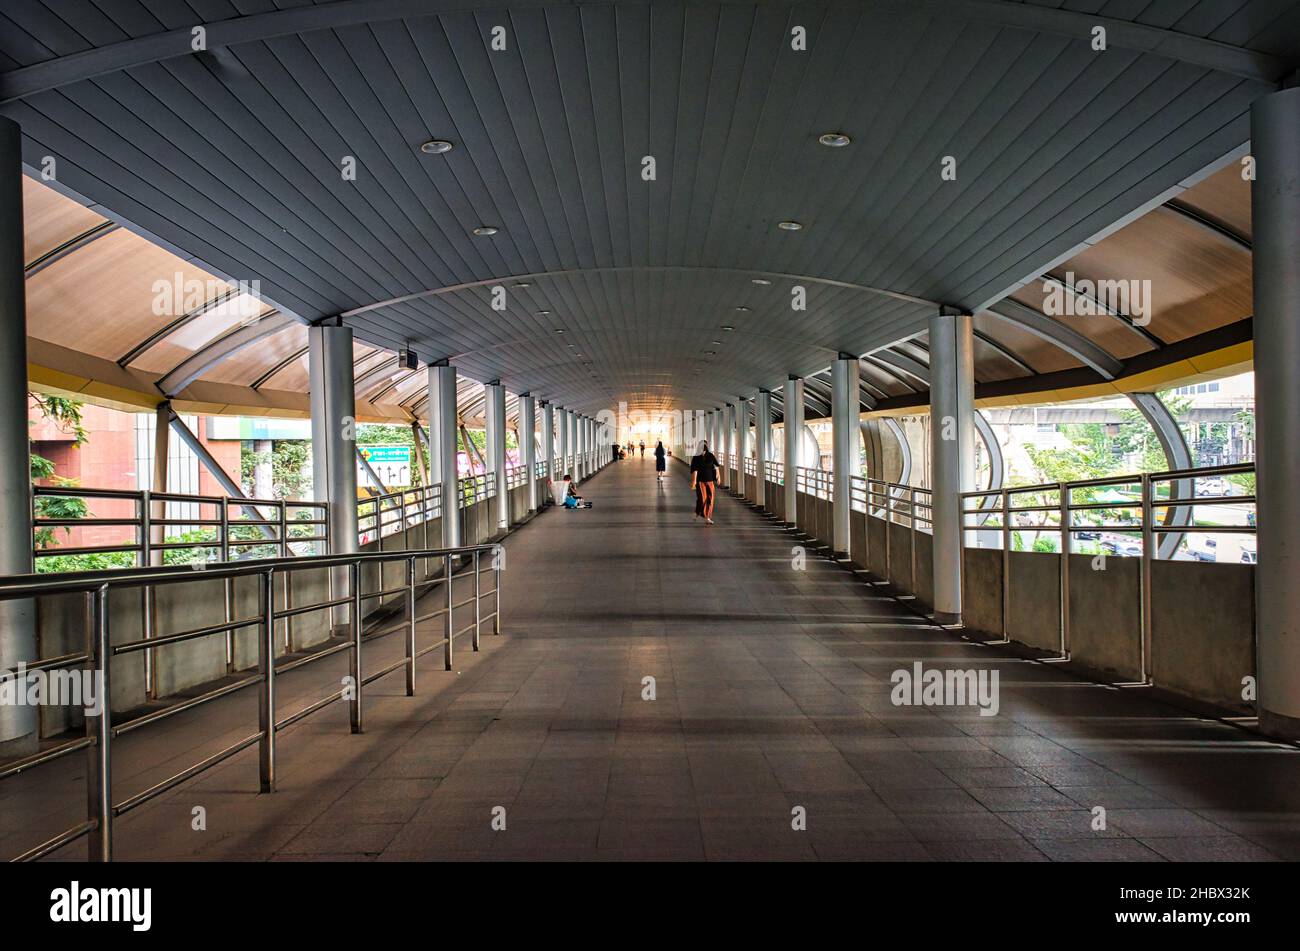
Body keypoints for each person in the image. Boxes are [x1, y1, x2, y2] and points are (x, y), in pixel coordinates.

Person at [689, 440, 720, 524]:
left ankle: (707, 517)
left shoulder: (711, 456)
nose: (703, 450)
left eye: (704, 448)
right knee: (702, 499)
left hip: (710, 481)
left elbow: (716, 466)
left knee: (710, 498)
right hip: (700, 481)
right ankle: (697, 512)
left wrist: (718, 477)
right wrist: (694, 481)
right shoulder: (696, 457)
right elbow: (694, 470)